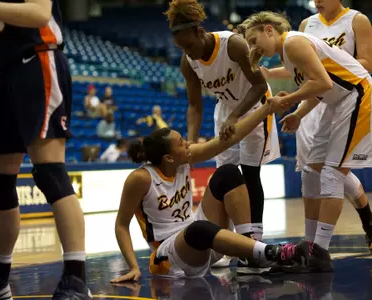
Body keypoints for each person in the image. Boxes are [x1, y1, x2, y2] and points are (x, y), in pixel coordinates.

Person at [0, 1, 90, 299]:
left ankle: (76, 280)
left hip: (39, 63)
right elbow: (7, 32)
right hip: (8, 71)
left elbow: (39, 14)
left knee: (50, 173)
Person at [240, 11, 372, 272]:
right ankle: (309, 246)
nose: (253, 47)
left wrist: (286, 100)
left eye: (253, 39)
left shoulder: (294, 42)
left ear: (269, 29)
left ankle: (320, 252)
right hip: (336, 102)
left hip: (357, 96)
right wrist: (296, 114)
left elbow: (323, 83)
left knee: (330, 174)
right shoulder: (288, 52)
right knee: (310, 171)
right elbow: (319, 90)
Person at [110, 101, 306, 283]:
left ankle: (249, 252)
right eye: (181, 142)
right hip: (171, 256)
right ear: (168, 158)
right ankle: (271, 252)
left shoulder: (184, 158)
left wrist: (266, 109)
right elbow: (121, 225)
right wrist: (134, 267)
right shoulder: (140, 178)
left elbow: (229, 139)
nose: (187, 143)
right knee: (198, 228)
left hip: (201, 240)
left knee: (228, 172)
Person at [164, 0, 280, 272]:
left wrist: (235, 116)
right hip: (225, 110)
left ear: (200, 31)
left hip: (253, 107)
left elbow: (260, 85)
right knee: (227, 177)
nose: (187, 52)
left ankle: (254, 245)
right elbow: (194, 105)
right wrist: (191, 141)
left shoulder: (232, 45)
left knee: (250, 174)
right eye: (182, 48)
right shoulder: (188, 62)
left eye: (189, 45)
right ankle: (231, 245)